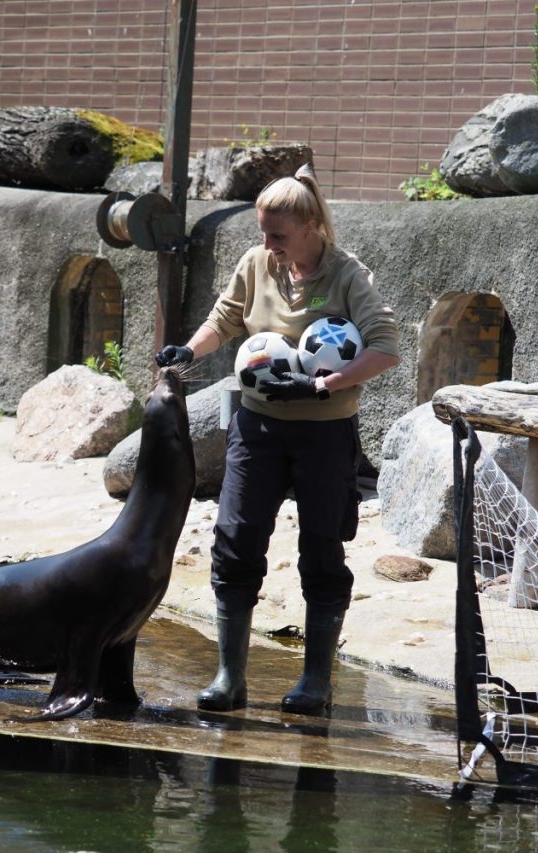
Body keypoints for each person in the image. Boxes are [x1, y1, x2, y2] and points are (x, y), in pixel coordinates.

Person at [156, 168, 400, 716]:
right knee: (236, 540)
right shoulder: (256, 263)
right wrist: (189, 353)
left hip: (325, 433)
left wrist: (322, 384)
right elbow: (225, 319)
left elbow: (386, 349)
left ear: (312, 225)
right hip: (257, 428)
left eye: (278, 235)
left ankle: (316, 683)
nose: (268, 245)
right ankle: (229, 679)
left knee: (321, 549)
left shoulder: (348, 276)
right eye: (264, 233)